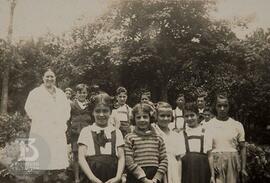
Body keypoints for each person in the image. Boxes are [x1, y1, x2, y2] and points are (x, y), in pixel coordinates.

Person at [24, 68, 71, 182]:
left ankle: (51, 178)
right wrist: (42, 119)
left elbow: (66, 109)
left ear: (55, 78)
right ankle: (42, 179)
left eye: (52, 76)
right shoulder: (35, 93)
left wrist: (62, 122)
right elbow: (29, 108)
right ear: (43, 78)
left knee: (55, 157)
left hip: (56, 129)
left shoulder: (60, 93)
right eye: (47, 76)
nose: (49, 79)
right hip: (42, 128)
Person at [78, 93, 125, 183]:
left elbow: (121, 157)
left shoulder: (116, 132)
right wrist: (92, 178)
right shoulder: (86, 131)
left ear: (110, 112)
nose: (101, 114)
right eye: (98, 111)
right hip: (91, 175)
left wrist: (118, 177)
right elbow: (81, 158)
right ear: (92, 112)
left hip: (112, 176)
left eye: (105, 111)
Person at [208, 93, 247, 183]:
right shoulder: (209, 125)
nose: (222, 109)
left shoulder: (237, 125)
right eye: (219, 105)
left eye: (225, 106)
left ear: (229, 107)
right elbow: (208, 149)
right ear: (215, 107)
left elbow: (243, 147)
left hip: (232, 161)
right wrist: (211, 169)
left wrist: (243, 168)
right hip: (216, 162)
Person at [125, 103, 168, 183]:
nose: (142, 120)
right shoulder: (129, 138)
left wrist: (156, 178)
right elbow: (129, 160)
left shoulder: (158, 138)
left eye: (145, 117)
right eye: (138, 117)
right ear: (134, 119)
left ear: (150, 118)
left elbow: (164, 160)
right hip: (136, 177)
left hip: (154, 178)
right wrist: (143, 178)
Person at [179, 102, 214, 183]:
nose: (190, 118)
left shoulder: (205, 132)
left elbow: (210, 155)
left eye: (192, 115)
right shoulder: (181, 134)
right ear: (183, 117)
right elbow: (179, 158)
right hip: (187, 170)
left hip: (203, 170)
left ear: (198, 115)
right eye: (186, 116)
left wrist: (212, 175)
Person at [66, 84, 92, 183]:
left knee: (87, 154)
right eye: (80, 92)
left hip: (87, 133)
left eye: (84, 92)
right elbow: (67, 119)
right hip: (75, 133)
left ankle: (86, 176)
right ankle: (76, 178)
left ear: (87, 93)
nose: (82, 94)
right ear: (76, 93)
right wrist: (69, 130)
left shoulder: (89, 105)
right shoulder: (71, 104)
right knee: (76, 155)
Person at [152, 102, 182, 183]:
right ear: (156, 116)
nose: (165, 118)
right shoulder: (152, 132)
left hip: (173, 170)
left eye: (168, 116)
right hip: (156, 169)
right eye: (162, 116)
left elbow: (178, 159)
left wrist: (178, 178)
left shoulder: (175, 135)